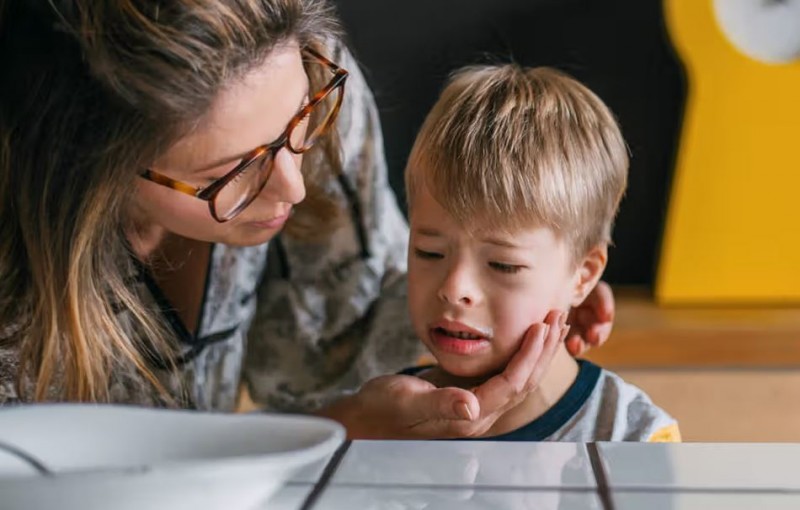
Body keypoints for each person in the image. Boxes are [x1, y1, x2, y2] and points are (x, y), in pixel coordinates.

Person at [0, 0, 613, 439]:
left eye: (297, 126)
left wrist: (524, 294)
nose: (293, 184)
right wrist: (339, 433)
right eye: (232, 170)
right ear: (87, 165)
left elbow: (347, 326)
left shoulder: (312, 81)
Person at [401, 64, 680, 441]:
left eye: (504, 264)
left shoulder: (635, 438)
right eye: (429, 252)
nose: (454, 288)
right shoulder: (383, 420)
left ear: (582, 276)